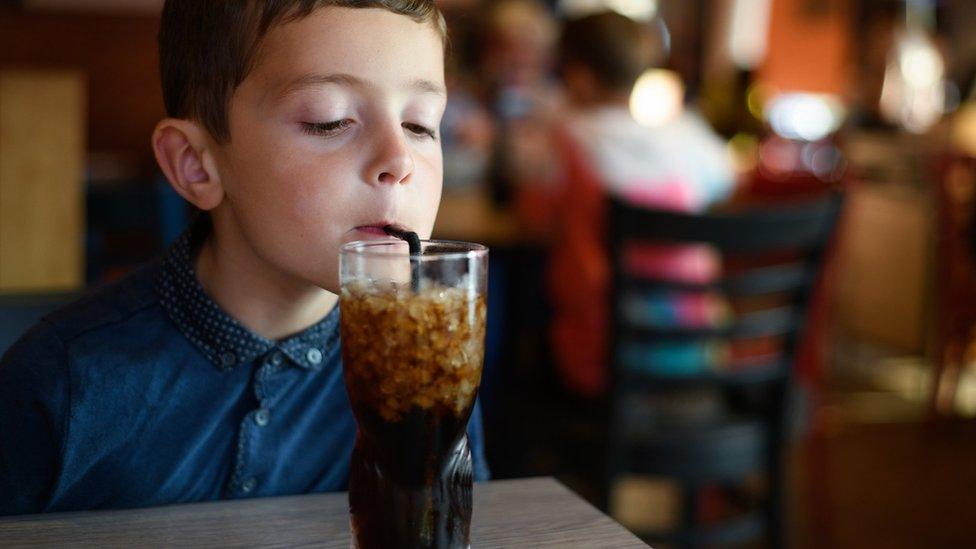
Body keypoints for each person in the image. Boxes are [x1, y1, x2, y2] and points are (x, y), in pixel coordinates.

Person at [0, 0, 489, 515]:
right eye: (331, 120)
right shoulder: (62, 384)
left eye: (421, 125)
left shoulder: (423, 358)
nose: (399, 160)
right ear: (196, 165)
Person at [541, 11, 737, 399]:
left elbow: (536, 217)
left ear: (577, 75)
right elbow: (727, 179)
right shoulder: (685, 138)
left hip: (604, 355)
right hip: (696, 345)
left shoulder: (567, 140)